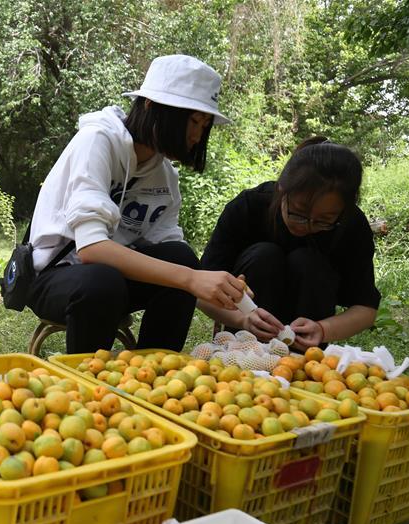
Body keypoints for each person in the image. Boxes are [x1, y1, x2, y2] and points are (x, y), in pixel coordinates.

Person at [24, 54, 244, 353]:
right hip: (55, 276)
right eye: (193, 121)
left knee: (181, 257)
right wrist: (191, 278)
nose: (197, 135)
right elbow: (91, 248)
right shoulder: (97, 141)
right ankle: (89, 384)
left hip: (111, 279)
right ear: (152, 107)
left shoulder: (164, 176)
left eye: (205, 125)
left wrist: (243, 309)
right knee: (102, 279)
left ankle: (156, 372)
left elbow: (174, 259)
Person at [199, 137, 379, 351]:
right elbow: (202, 293)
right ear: (282, 189)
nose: (307, 226)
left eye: (323, 221)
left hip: (307, 349)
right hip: (245, 344)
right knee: (264, 255)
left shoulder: (351, 225)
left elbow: (366, 308)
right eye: (298, 214)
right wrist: (242, 319)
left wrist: (323, 329)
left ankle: (302, 360)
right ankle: (245, 349)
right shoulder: (248, 207)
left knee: (309, 262)